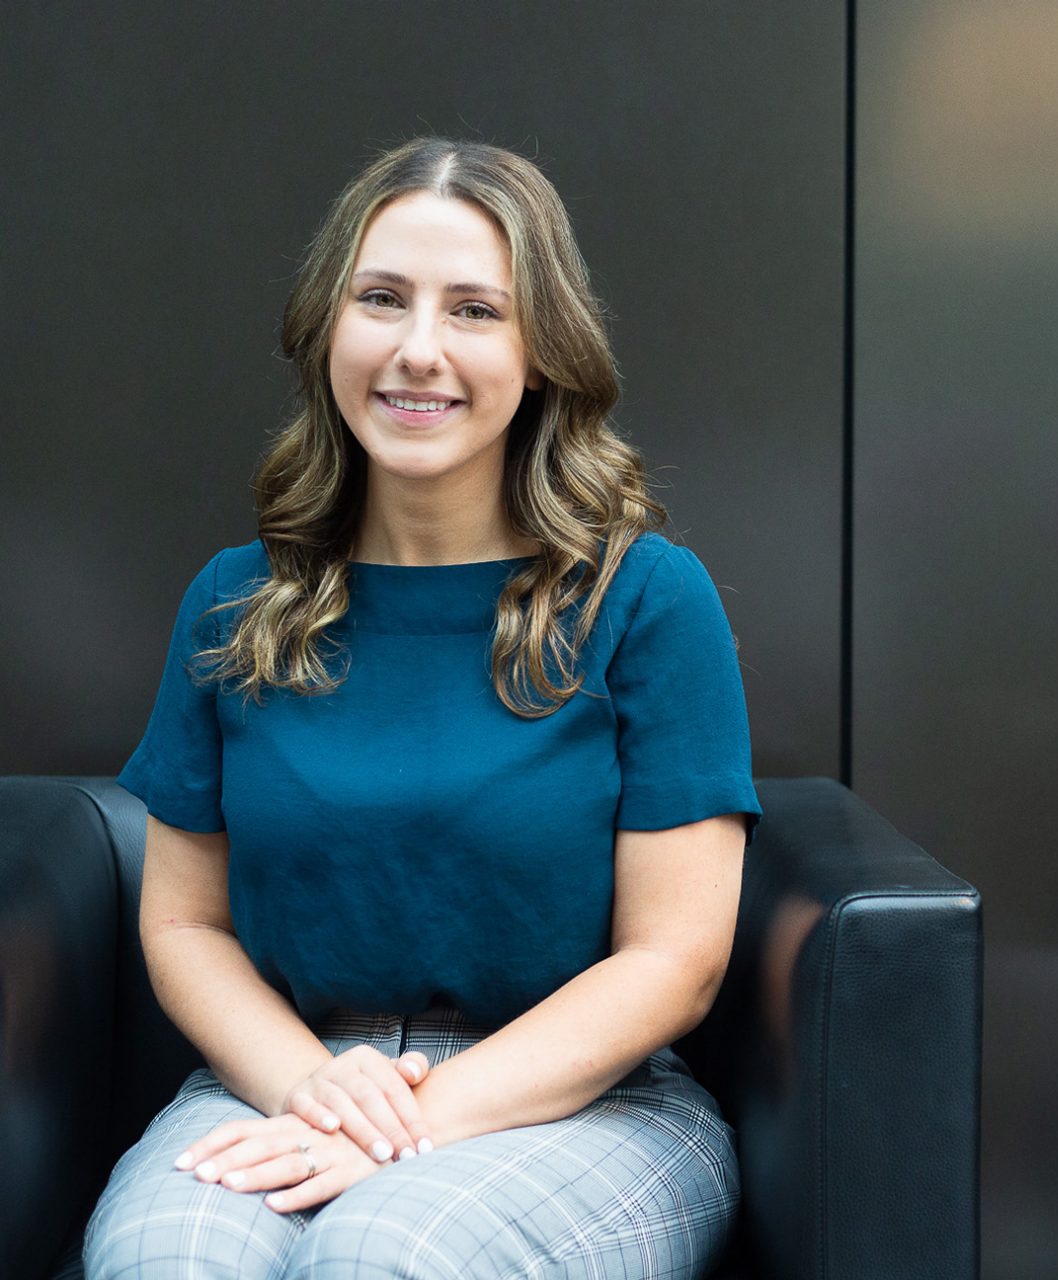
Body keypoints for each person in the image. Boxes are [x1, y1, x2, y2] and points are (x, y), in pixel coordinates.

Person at [84, 134, 762, 1280]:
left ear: (542, 349)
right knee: (171, 1258)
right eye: (382, 299)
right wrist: (311, 1083)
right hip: (288, 1070)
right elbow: (184, 924)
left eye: (474, 311)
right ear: (327, 327)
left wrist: (414, 1117)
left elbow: (674, 957)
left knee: (386, 1248)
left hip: (585, 1104)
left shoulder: (642, 597)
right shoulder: (232, 601)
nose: (416, 350)